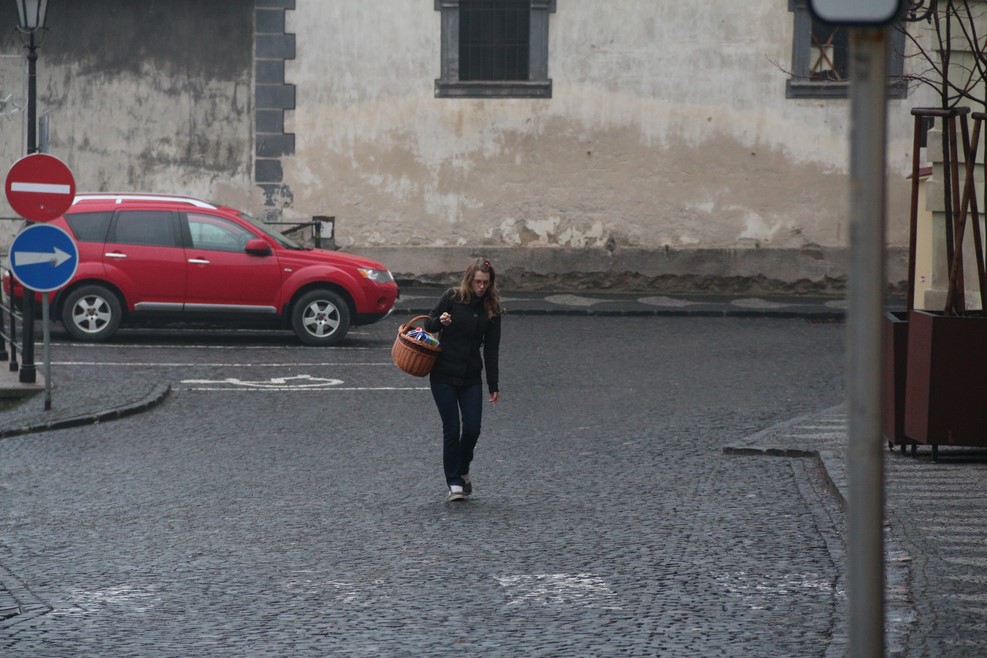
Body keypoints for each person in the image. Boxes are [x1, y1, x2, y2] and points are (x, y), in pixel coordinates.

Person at [424, 258, 503, 502]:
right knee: (451, 429)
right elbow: (428, 323)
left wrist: (493, 384)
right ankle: (454, 483)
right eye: (477, 282)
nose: (481, 287)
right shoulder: (452, 297)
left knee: (472, 429)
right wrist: (440, 322)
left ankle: (463, 467)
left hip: (471, 376)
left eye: (486, 283)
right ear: (469, 280)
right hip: (443, 374)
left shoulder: (492, 307)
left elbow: (491, 349)